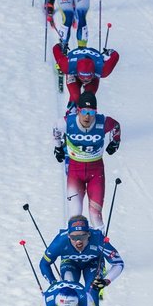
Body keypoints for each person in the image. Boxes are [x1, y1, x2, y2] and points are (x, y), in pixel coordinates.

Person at [53, 91, 122, 228]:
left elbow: (116, 126)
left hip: (96, 172)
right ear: (78, 111)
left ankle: (100, 245)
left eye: (92, 112)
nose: (88, 116)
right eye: (84, 111)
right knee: (75, 216)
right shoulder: (67, 122)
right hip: (75, 172)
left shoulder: (103, 122)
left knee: (95, 215)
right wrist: (58, 148)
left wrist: (115, 142)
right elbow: (56, 130)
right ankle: (75, 246)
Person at [53, 44, 121, 110]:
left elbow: (116, 56)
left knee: (89, 97)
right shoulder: (67, 65)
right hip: (74, 71)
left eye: (87, 79)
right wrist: (110, 52)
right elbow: (115, 55)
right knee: (75, 96)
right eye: (82, 79)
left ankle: (86, 111)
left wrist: (60, 46)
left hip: (91, 73)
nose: (84, 81)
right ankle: (72, 110)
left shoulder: (103, 69)